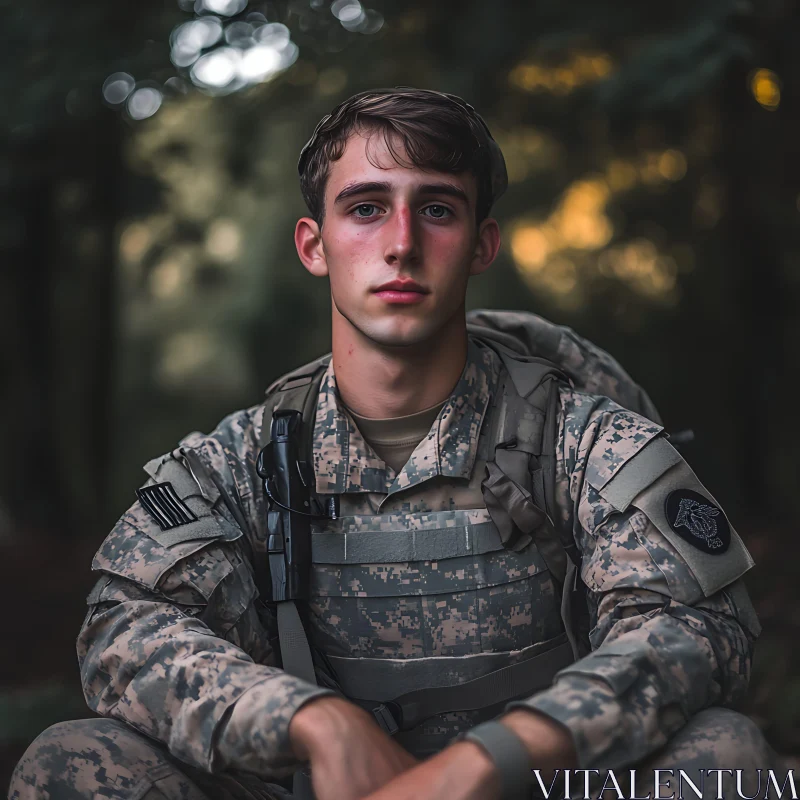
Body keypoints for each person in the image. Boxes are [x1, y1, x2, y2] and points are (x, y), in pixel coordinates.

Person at [9, 88, 778, 800]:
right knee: (74, 759)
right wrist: (307, 721)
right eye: (367, 208)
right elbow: (123, 624)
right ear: (314, 246)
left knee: (724, 755)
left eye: (437, 209)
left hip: (538, 785)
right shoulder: (248, 459)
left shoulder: (578, 440)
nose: (402, 243)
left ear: (482, 245)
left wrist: (498, 756)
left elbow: (699, 628)